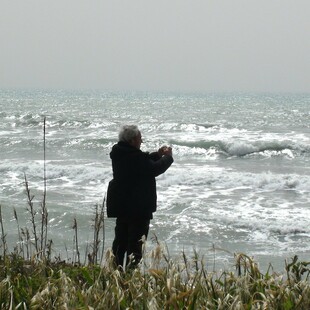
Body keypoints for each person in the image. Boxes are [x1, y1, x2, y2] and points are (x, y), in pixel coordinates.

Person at [106, 125, 173, 268]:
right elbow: (153, 168)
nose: (141, 141)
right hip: (138, 207)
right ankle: (130, 279)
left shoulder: (120, 153)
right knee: (135, 248)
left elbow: (143, 161)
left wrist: (157, 154)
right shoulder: (135, 157)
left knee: (120, 244)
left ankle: (114, 275)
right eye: (139, 138)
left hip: (123, 206)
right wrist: (168, 158)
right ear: (132, 141)